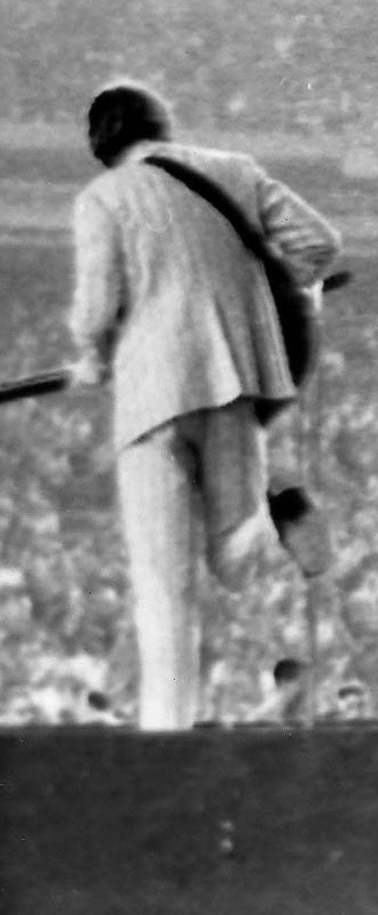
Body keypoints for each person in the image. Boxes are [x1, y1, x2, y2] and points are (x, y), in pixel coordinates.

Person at [64, 81, 343, 731]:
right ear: (159, 123)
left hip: (151, 397)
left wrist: (89, 355)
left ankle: (168, 732)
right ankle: (278, 512)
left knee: (165, 582)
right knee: (232, 562)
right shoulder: (233, 171)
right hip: (236, 386)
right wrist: (260, 298)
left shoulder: (104, 197)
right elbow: (319, 243)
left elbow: (98, 305)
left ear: (102, 145)